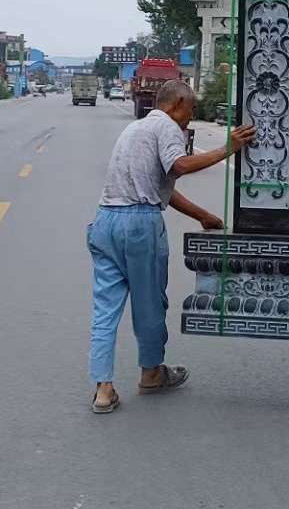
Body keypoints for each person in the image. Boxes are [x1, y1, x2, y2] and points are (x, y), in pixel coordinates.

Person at [87, 82, 253, 414]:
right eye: (191, 110)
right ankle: (151, 373)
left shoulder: (136, 129)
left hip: (105, 221)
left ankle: (103, 389)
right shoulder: (167, 127)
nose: (190, 118)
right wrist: (228, 148)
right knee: (149, 305)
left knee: (105, 309)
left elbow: (162, 187)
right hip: (139, 225)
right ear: (177, 103)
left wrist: (202, 215)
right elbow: (179, 166)